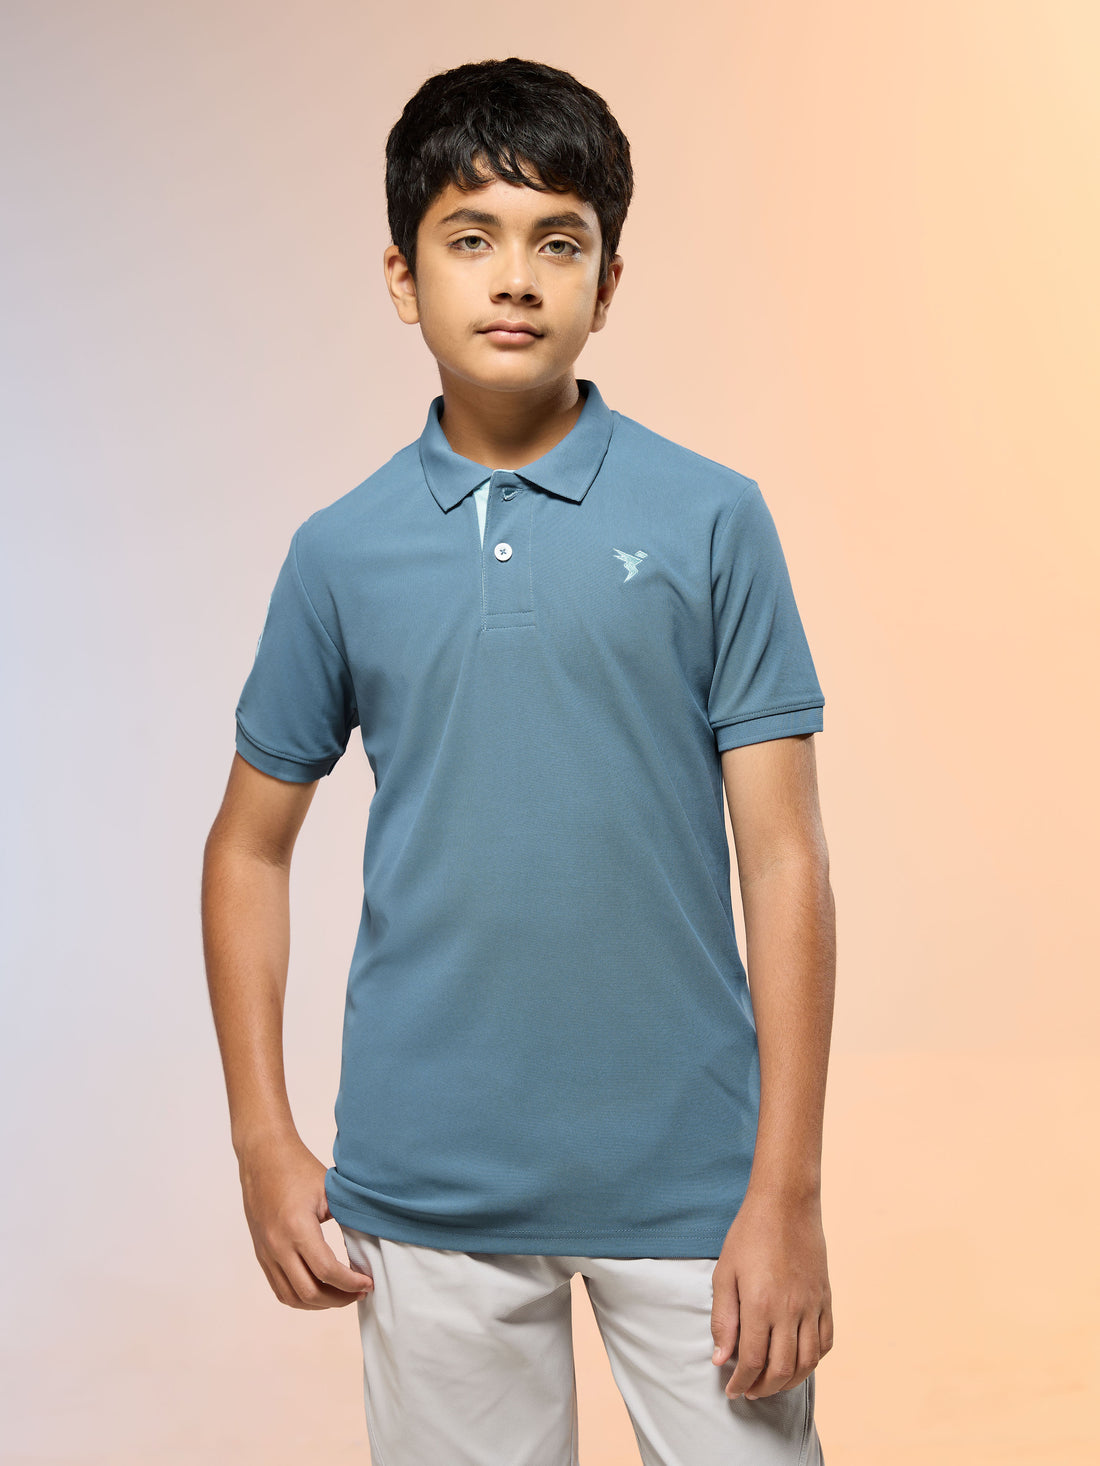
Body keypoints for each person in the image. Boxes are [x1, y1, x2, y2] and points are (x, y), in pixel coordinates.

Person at [202, 55, 835, 1466]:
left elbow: (785, 857)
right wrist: (263, 1137)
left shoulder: (712, 519)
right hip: (428, 1193)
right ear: (402, 273)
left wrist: (786, 1190)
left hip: (697, 1185)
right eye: (470, 237)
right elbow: (246, 846)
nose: (514, 279)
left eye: (559, 242)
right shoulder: (339, 552)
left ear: (608, 283)